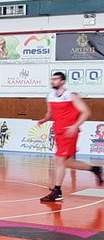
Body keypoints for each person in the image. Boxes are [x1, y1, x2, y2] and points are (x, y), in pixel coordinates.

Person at [38, 72, 103, 202]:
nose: (53, 81)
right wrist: (44, 119)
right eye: (52, 79)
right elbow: (50, 113)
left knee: (59, 160)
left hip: (69, 132)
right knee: (67, 162)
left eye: (56, 79)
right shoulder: (50, 96)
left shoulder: (71, 96)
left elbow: (86, 112)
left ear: (62, 81)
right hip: (58, 132)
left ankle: (57, 191)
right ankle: (95, 169)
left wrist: (75, 126)